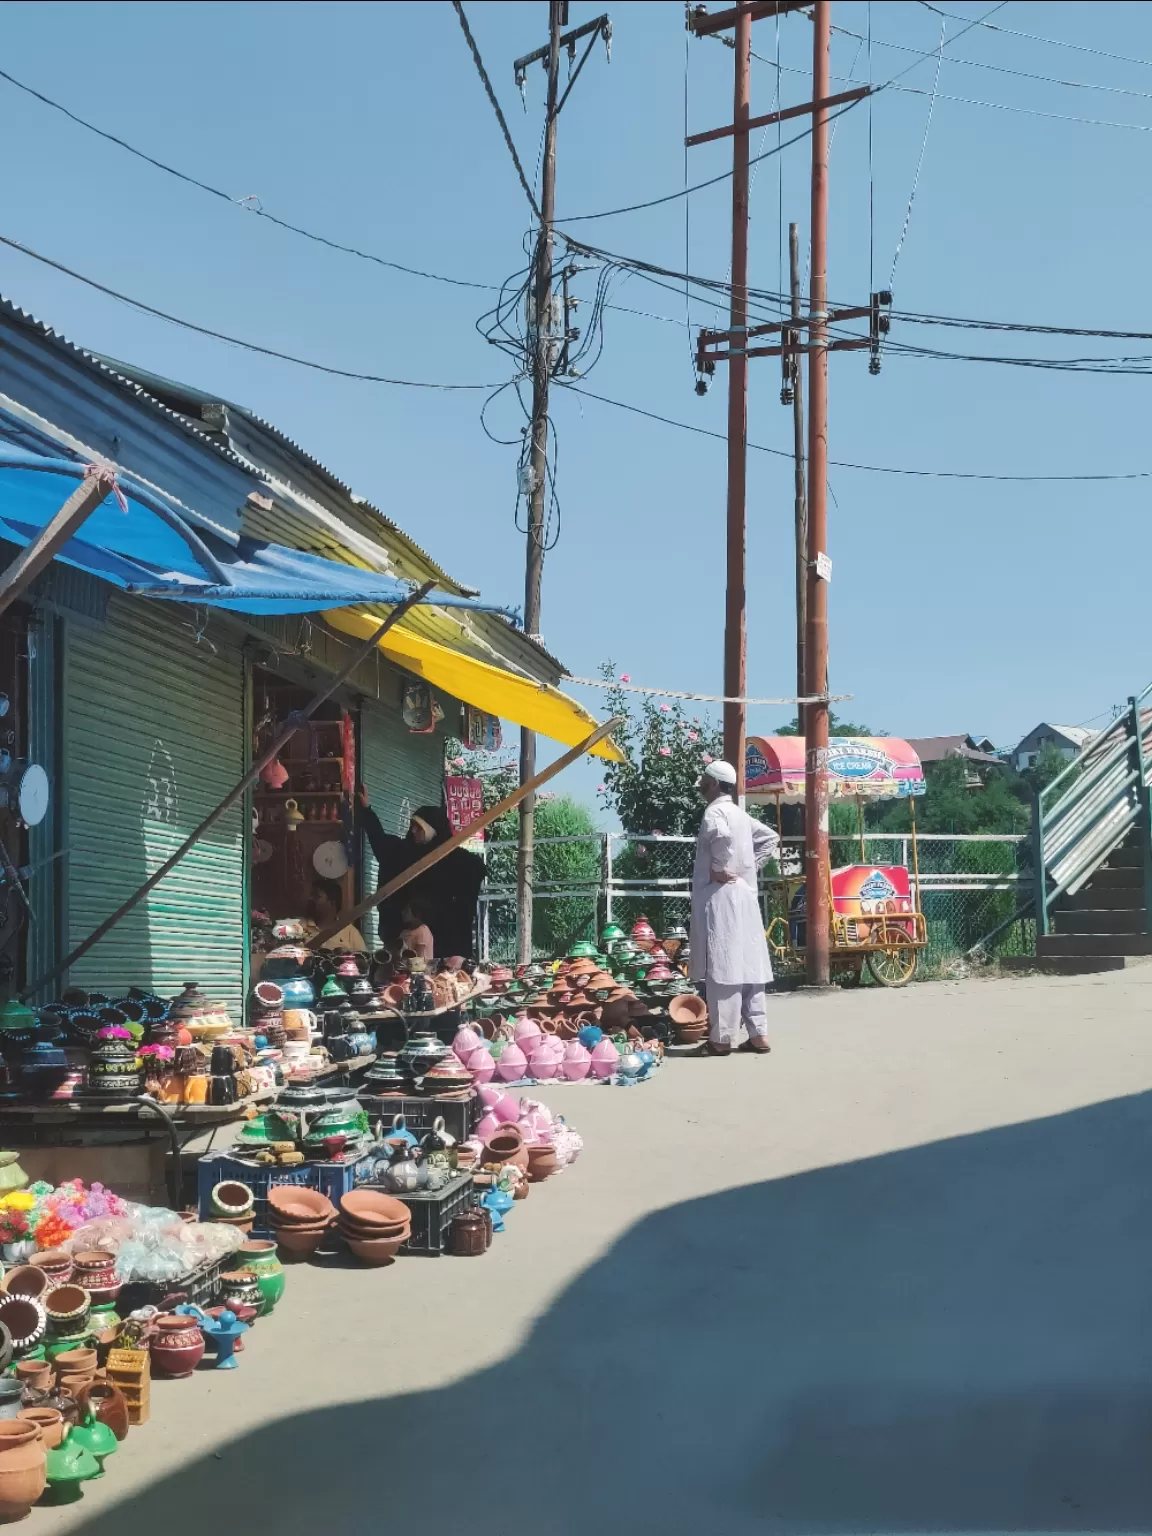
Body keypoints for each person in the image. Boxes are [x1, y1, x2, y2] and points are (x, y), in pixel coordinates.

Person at [689, 759, 780, 1057]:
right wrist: (747, 867)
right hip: (744, 896)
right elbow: (770, 838)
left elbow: (722, 837)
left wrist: (719, 867)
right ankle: (758, 1034)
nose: (702, 786)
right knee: (748, 965)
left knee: (724, 967)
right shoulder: (740, 814)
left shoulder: (715, 811)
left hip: (721, 898)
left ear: (714, 783)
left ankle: (721, 1038)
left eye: (705, 781)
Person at [356, 788, 485, 959]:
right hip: (411, 937)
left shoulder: (454, 857)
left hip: (446, 938)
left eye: (419, 827)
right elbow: (381, 843)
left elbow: (476, 870)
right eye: (412, 826)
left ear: (433, 829)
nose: (413, 831)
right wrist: (367, 811)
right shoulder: (404, 852)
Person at [306, 877, 366, 952]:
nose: (310, 899)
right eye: (311, 895)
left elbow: (362, 961)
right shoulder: (299, 927)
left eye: (317, 896)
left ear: (332, 903)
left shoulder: (350, 932)